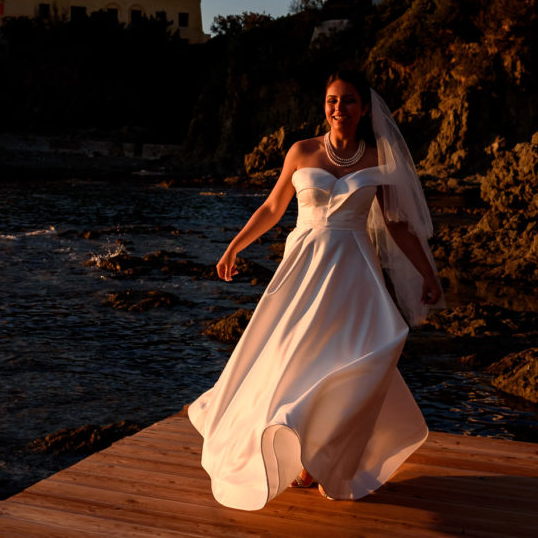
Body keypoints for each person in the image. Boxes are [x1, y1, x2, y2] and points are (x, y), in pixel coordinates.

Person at [188, 70, 445, 510]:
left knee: (348, 365)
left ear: (364, 108)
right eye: (331, 100)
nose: (338, 108)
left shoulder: (378, 156)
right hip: (304, 272)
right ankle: (292, 451)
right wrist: (234, 245)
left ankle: (326, 462)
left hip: (354, 276)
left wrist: (427, 273)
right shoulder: (302, 151)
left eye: (347, 100)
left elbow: (397, 225)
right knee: (293, 361)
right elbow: (272, 207)